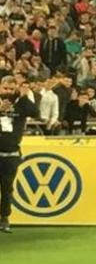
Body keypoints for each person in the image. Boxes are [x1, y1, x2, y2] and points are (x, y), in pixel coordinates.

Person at [0, 76, 40, 233]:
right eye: (5, 88)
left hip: (11, 153)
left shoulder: (21, 103)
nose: (8, 92)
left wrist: (23, 96)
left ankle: (4, 218)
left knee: (7, 188)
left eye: (11, 89)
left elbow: (35, 112)